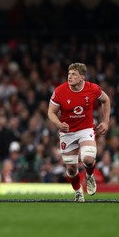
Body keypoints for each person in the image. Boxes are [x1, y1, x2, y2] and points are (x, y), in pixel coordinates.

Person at [47, 62, 110, 202]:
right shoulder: (60, 91)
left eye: (74, 74)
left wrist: (106, 121)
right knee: (70, 169)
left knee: (88, 159)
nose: (70, 77)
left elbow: (106, 100)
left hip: (85, 129)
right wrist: (58, 123)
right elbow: (51, 112)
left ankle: (89, 176)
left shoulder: (92, 88)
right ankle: (78, 192)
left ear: (82, 77)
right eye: (69, 74)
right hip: (67, 132)